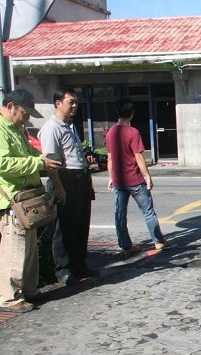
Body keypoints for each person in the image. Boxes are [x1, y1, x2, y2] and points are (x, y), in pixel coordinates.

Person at [0, 88, 64, 312]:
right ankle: (10, 297)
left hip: (25, 199)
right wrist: (38, 164)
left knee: (29, 248)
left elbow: (28, 154)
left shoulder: (15, 128)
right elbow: (2, 166)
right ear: (10, 107)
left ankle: (29, 289)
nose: (26, 118)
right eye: (24, 113)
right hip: (10, 200)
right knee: (14, 249)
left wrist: (41, 159)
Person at [38, 87, 97, 285]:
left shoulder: (70, 126)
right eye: (71, 102)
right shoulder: (51, 128)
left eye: (76, 102)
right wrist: (59, 187)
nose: (74, 106)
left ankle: (79, 265)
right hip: (64, 179)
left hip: (79, 178)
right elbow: (51, 163)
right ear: (58, 103)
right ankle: (63, 271)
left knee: (80, 224)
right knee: (62, 228)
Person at [106, 98, 167, 255]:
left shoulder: (111, 132)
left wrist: (111, 177)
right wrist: (147, 177)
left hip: (119, 181)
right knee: (148, 211)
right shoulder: (133, 132)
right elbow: (139, 157)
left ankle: (126, 246)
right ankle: (158, 241)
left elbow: (110, 158)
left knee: (120, 214)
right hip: (135, 180)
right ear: (132, 113)